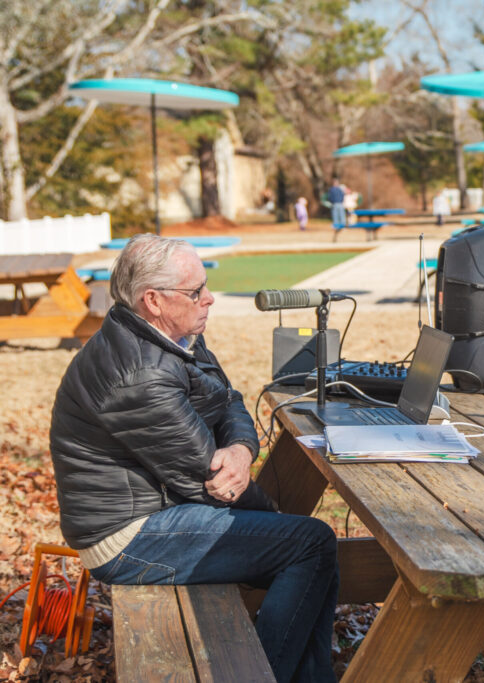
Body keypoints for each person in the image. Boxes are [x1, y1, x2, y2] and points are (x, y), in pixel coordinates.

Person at [49, 234, 340, 683]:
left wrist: (241, 450)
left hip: (159, 505)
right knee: (311, 545)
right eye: (195, 292)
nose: (209, 299)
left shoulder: (169, 335)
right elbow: (210, 484)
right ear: (154, 300)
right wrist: (273, 513)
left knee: (305, 547)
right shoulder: (140, 375)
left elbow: (229, 400)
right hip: (127, 536)